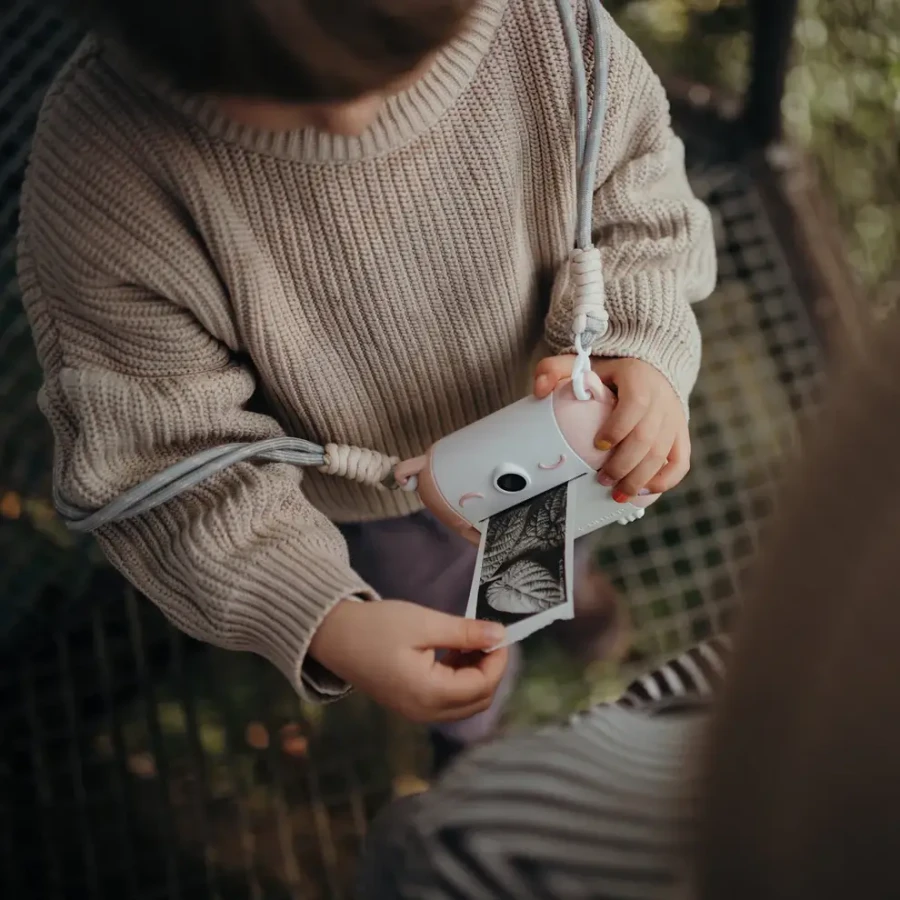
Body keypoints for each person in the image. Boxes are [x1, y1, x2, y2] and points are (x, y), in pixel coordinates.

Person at [18, 0, 715, 764]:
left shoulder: (546, 27)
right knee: (457, 628)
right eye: (289, 96)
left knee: (554, 538)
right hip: (374, 508)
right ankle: (472, 730)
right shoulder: (104, 183)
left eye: (402, 62)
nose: (353, 119)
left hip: (556, 430)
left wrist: (638, 344)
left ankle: (565, 590)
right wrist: (326, 616)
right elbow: (158, 458)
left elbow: (638, 200)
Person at [357, 319, 900, 900]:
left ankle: (471, 731)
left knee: (478, 638)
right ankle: (568, 602)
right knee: (567, 508)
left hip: (518, 810)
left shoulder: (489, 846)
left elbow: (409, 848)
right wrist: (646, 351)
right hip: (684, 719)